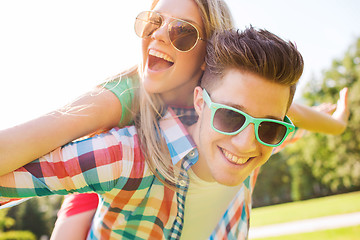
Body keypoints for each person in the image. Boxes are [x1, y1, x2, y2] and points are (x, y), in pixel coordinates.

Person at [0, 0, 349, 239]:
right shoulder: (119, 110)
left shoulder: (249, 119)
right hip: (112, 174)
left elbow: (286, 114)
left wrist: (334, 122)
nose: (159, 35)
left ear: (209, 56)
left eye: (183, 32)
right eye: (152, 22)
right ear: (203, 101)